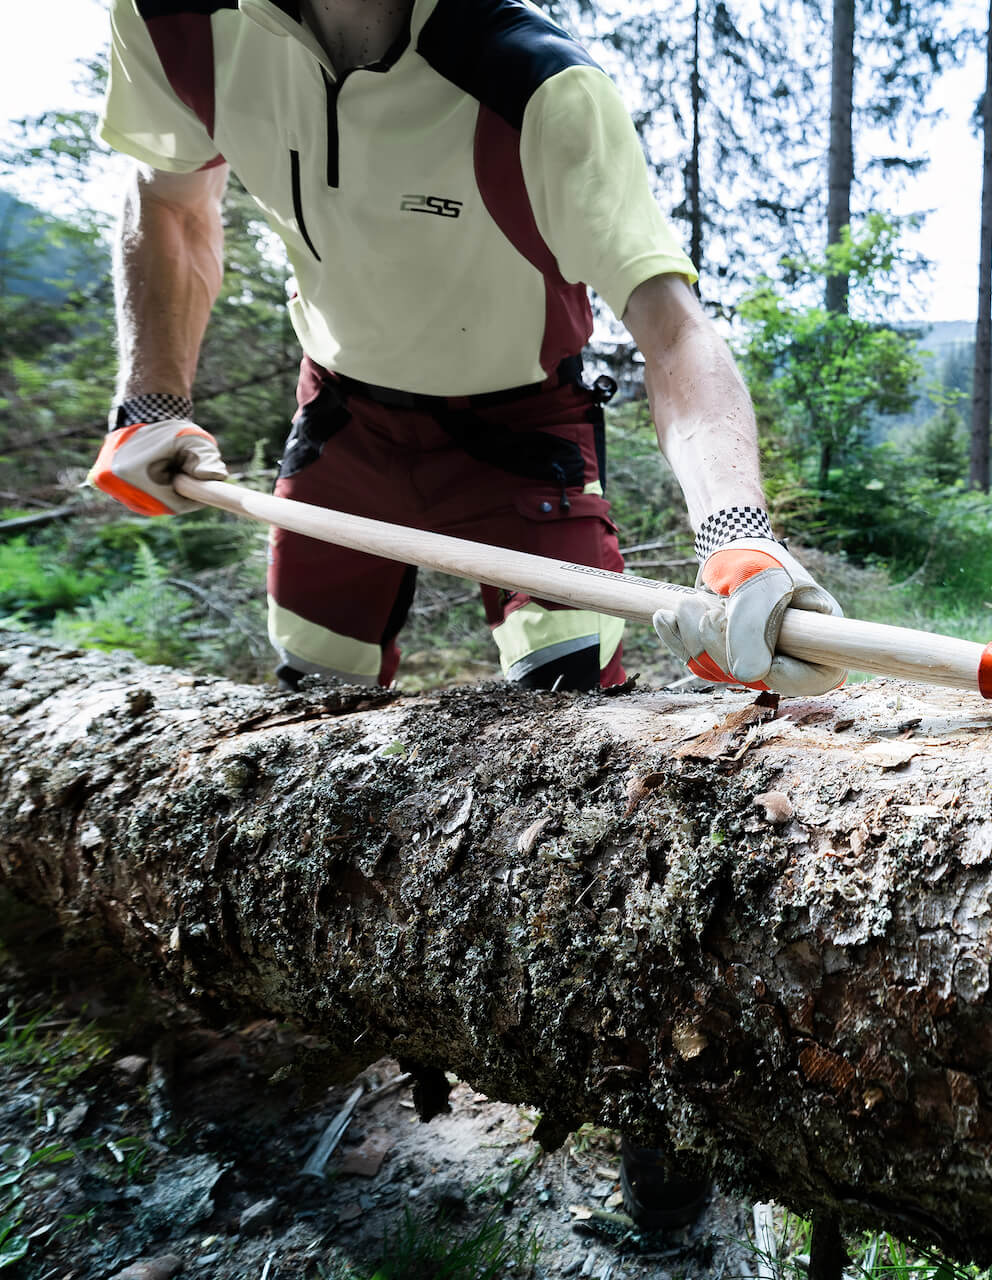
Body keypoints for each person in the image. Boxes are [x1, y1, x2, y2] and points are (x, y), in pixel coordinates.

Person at [89, 0, 844, 1231]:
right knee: (307, 728)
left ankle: (661, 1136)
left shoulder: (538, 88)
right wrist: (151, 397)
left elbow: (671, 323)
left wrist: (731, 537)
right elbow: (168, 199)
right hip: (342, 432)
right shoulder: (175, 21)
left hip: (518, 439)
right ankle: (327, 1034)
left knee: (598, 788)